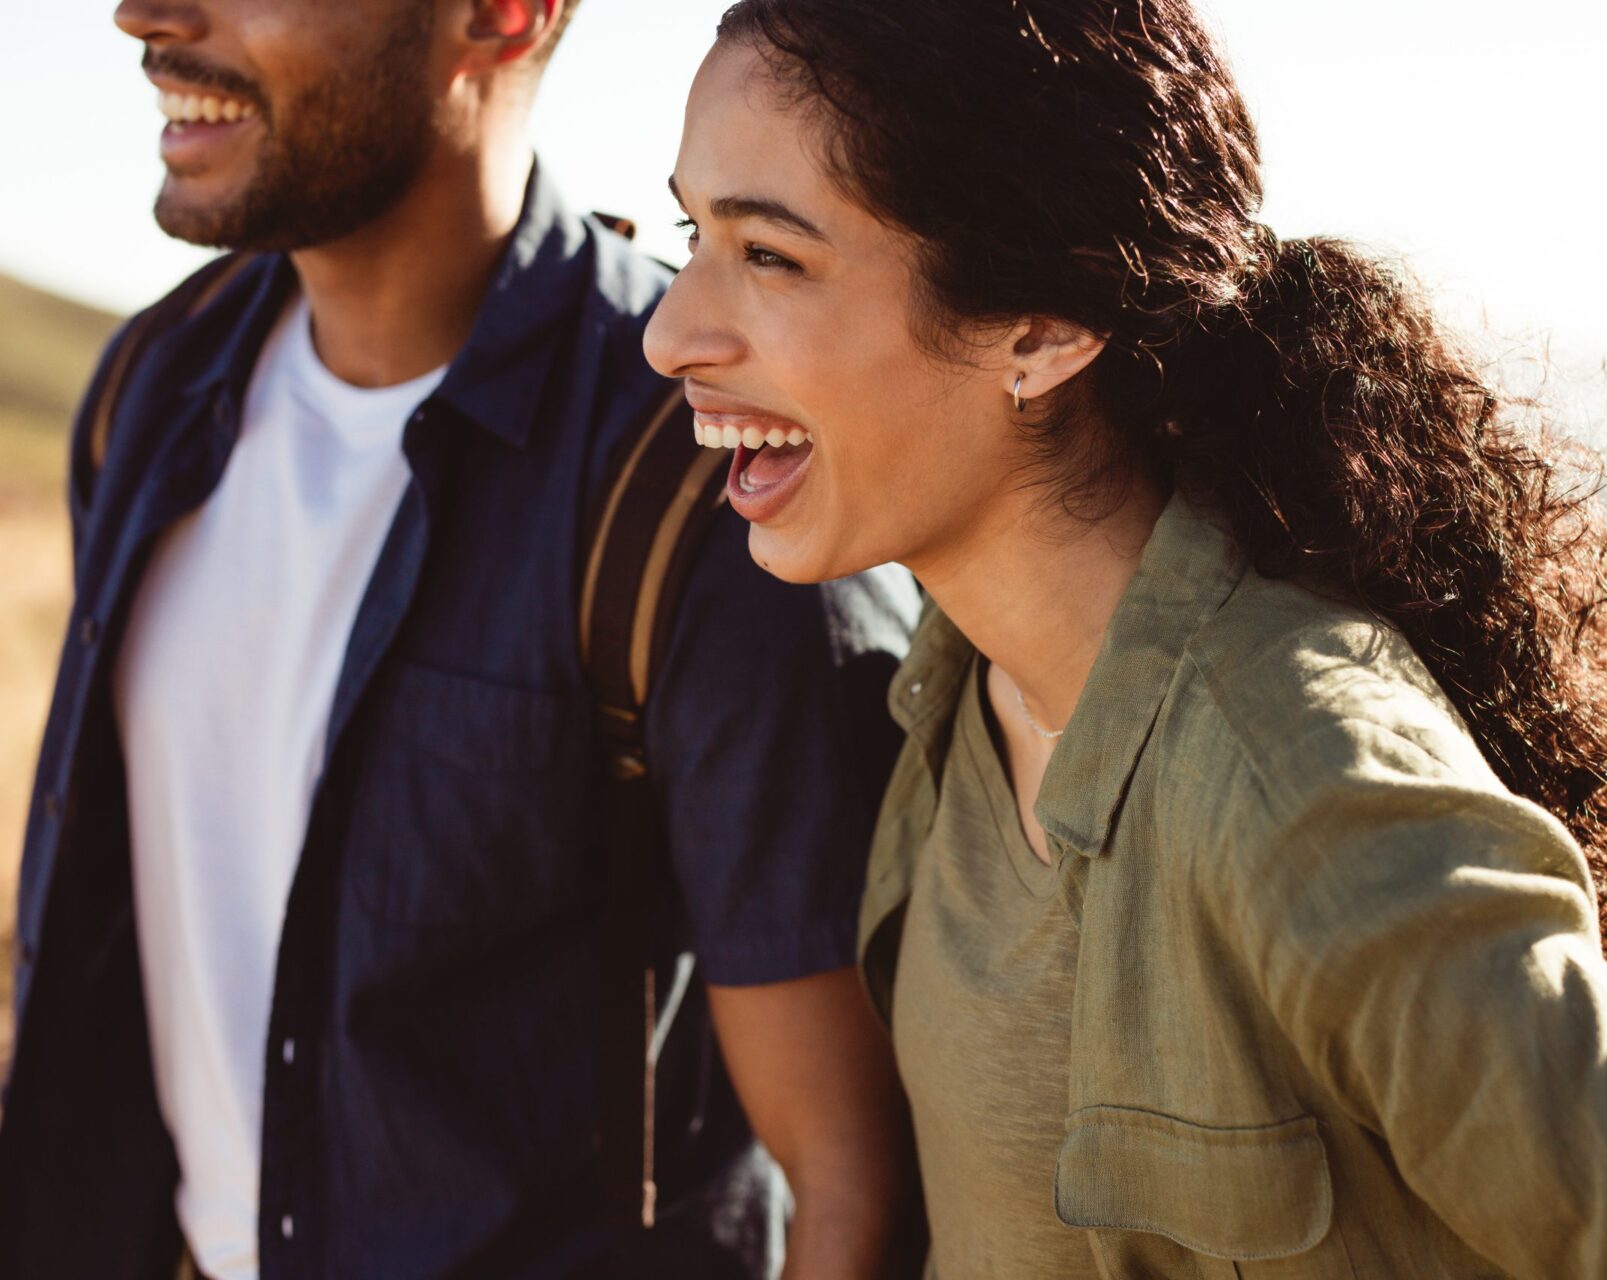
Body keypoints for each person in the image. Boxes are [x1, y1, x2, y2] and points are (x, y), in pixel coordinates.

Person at [641, 1, 1607, 1276]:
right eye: (696, 233)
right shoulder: (953, 690)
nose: (671, 332)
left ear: (1042, 327)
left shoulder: (1296, 775)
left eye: (770, 256)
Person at [0, 1, 922, 1277]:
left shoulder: (704, 478)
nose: (146, 17)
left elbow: (851, 1172)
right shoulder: (151, 389)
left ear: (500, 17)